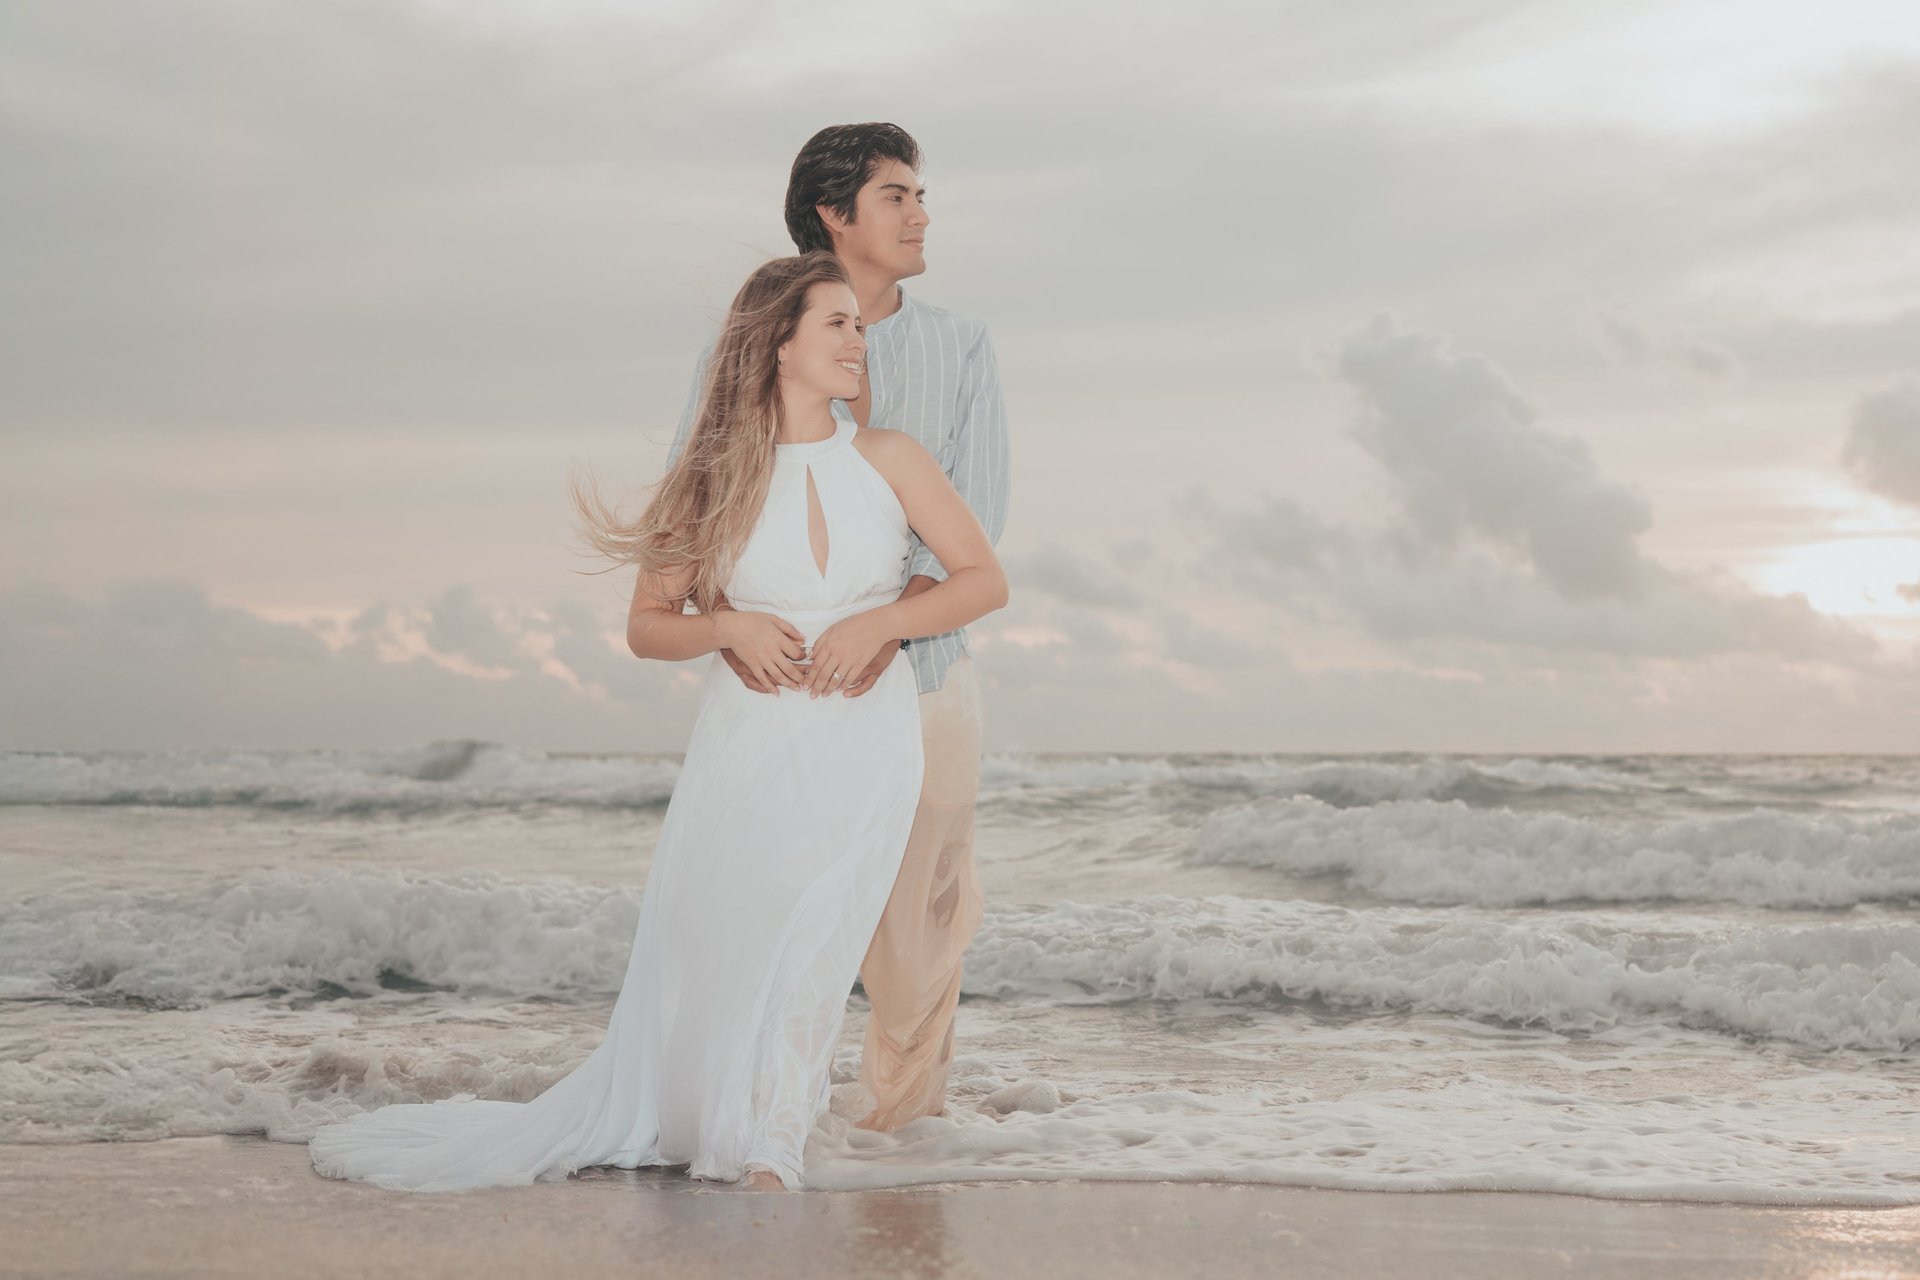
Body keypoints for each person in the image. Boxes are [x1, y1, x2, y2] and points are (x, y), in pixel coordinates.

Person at [307, 251, 1008, 1192]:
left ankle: (769, 1141)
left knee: (820, 931)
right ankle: (717, 1113)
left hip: (863, 737)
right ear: (778, 345)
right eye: (836, 323)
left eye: (859, 323)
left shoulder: (892, 458)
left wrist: (885, 619)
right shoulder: (714, 477)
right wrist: (726, 626)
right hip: (748, 745)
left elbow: (981, 580)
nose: (859, 339)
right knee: (736, 935)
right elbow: (647, 626)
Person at [668, 123, 1009, 1132]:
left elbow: (975, 528)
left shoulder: (960, 344)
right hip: (778, 697)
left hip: (928, 679)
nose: (921, 214)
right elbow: (713, 503)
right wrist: (741, 625)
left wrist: (885, 628)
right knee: (766, 923)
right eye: (898, 195)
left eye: (920, 194)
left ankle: (899, 1146)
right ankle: (764, 1130)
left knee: (917, 940)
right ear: (833, 210)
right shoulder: (743, 343)